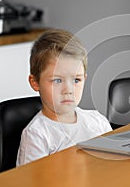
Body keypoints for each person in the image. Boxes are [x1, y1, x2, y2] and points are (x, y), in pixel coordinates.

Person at [16, 29, 112, 166]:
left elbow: (114, 166)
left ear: (84, 79)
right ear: (35, 82)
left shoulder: (98, 122)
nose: (68, 90)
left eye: (76, 80)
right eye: (57, 80)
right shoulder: (37, 135)